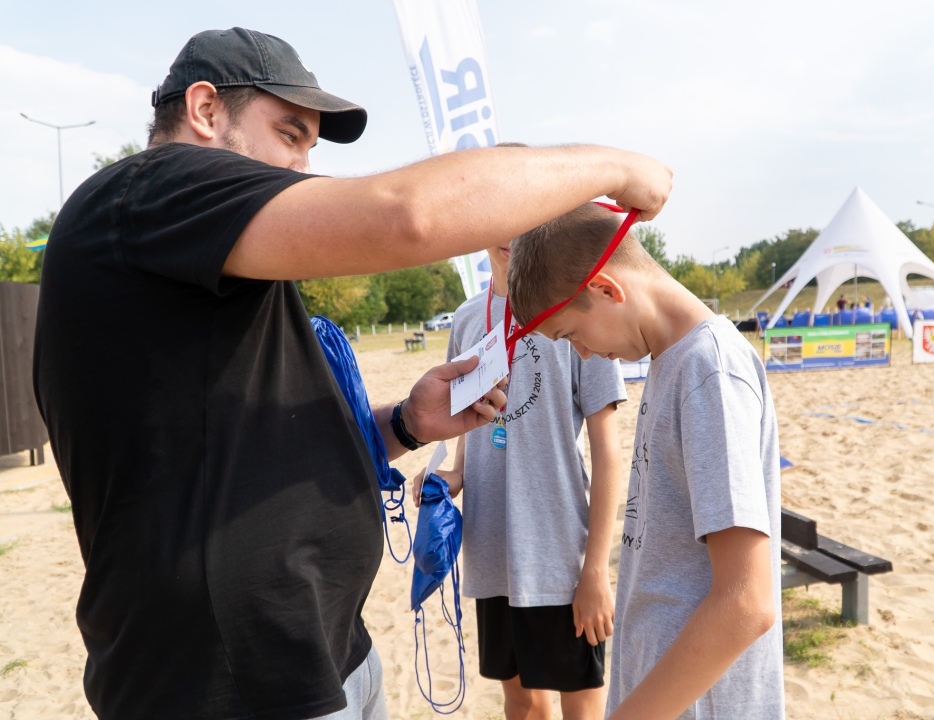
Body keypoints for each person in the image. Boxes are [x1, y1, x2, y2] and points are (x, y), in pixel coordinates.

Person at [32, 28, 671, 720]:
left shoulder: (201, 256)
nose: (302, 168)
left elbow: (234, 453)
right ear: (206, 111)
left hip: (322, 651)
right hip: (228, 683)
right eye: (290, 134)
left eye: (311, 148)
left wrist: (401, 425)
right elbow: (408, 215)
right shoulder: (148, 192)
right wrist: (613, 169)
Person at [506, 203, 783, 719]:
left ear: (608, 289)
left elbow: (746, 603)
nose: (582, 355)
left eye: (570, 335)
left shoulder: (709, 371)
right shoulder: (671, 360)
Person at [413, 185, 626, 719]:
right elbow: (471, 421)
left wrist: (596, 569)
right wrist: (454, 476)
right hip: (493, 548)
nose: (509, 235)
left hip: (560, 552)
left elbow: (608, 454)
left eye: (521, 218)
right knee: (523, 704)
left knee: (581, 703)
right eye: (497, 217)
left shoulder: (580, 309)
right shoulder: (466, 320)